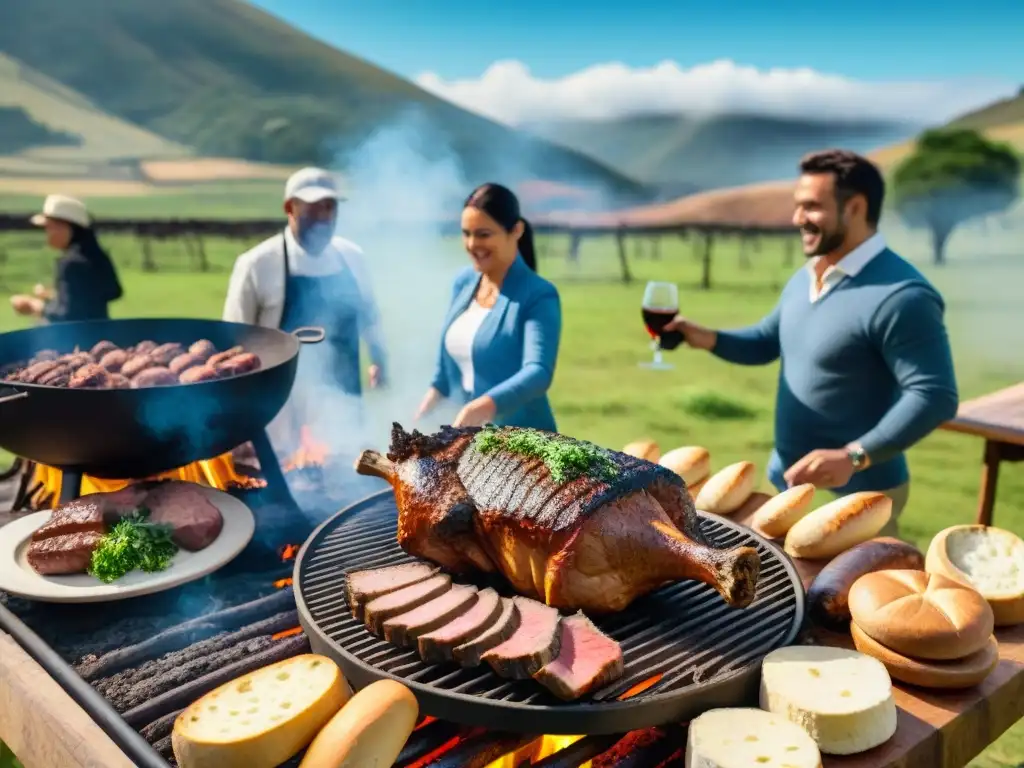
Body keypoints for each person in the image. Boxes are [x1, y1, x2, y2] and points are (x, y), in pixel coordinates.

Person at [664, 150, 959, 536]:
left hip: (858, 499)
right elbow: (767, 341)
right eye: (797, 206)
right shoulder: (809, 275)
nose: (797, 218)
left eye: (811, 207)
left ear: (854, 207)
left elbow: (935, 394)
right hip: (785, 481)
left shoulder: (904, 296)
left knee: (843, 596)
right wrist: (706, 337)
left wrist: (854, 456)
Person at [223, 167, 387, 448]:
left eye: (330, 207)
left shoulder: (352, 256)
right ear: (290, 207)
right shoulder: (257, 263)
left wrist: (379, 358)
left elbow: (369, 315)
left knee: (349, 474)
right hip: (280, 403)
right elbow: (234, 340)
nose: (324, 217)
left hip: (344, 400)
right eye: (313, 208)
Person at [416, 183, 561, 430]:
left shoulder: (539, 295)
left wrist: (485, 405)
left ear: (516, 230)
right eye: (466, 233)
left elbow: (538, 372)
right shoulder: (463, 283)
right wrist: (420, 419)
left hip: (524, 445)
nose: (472, 244)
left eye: (483, 234)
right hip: (469, 444)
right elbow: (443, 375)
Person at [10, 194, 122, 323]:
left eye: (49, 227)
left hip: (74, 339)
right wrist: (57, 296)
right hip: (101, 336)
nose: (47, 234)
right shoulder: (96, 256)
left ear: (65, 227)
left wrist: (33, 305)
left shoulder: (71, 263)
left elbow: (67, 314)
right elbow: (113, 292)